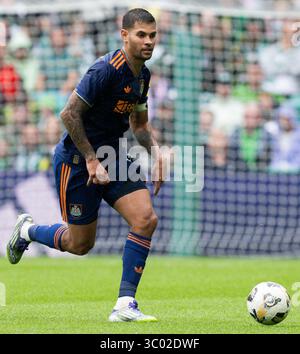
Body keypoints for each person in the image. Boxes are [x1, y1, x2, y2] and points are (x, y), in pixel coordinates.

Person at [7, 8, 164, 323]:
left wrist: (157, 154)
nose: (148, 42)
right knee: (80, 245)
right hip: (78, 161)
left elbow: (140, 125)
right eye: (141, 35)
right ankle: (27, 230)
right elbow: (68, 114)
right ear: (124, 35)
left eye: (152, 36)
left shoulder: (143, 76)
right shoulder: (104, 70)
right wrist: (92, 160)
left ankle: (124, 305)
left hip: (114, 156)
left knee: (146, 219)